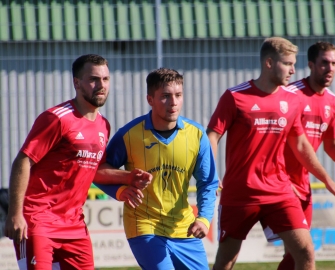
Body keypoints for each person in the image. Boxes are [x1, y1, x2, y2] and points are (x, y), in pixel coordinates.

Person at [206, 37, 335, 270]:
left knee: (305, 252)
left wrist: (327, 180)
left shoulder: (292, 100)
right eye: (288, 63)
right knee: (226, 260)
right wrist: (210, 174)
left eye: (294, 64)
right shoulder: (235, 96)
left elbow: (301, 146)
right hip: (241, 192)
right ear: (269, 63)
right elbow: (212, 135)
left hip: (279, 191)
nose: (293, 70)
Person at [4, 54, 149, 270]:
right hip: (38, 220)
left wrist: (128, 177)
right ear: (77, 83)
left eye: (106, 79)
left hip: (74, 224)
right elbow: (23, 161)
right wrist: (15, 213)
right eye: (94, 79)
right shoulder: (57, 118)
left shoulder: (103, 126)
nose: (101, 85)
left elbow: (93, 170)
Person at [93, 67, 219, 270]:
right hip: (144, 225)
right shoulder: (129, 134)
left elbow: (208, 182)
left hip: (183, 228)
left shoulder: (196, 135)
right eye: (165, 96)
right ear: (150, 99)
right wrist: (121, 191)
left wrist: (204, 218)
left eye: (178, 95)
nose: (173, 102)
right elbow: (98, 171)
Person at [269, 41, 335, 270]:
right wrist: (281, 179)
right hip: (277, 183)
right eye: (324, 62)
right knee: (304, 252)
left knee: (297, 255)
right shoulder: (290, 95)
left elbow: (331, 144)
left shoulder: (332, 101)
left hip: (302, 185)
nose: (330, 68)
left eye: (334, 63)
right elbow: (270, 141)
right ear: (311, 65)